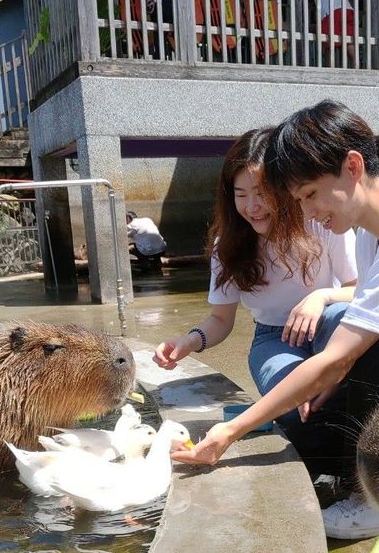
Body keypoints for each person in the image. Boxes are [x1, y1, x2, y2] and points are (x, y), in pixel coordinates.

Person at [173, 101, 379, 540]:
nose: (309, 213)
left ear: (352, 166)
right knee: (307, 414)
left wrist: (231, 431)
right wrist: (324, 389)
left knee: (364, 348)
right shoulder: (378, 228)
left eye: (310, 195)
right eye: (297, 201)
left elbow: (340, 358)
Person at [153, 128, 357, 481]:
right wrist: (189, 340)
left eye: (262, 193)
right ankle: (327, 467)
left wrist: (321, 296)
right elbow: (221, 318)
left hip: (328, 323)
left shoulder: (321, 221)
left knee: (341, 317)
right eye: (241, 194)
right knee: (295, 405)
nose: (252, 206)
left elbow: (362, 290)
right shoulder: (227, 246)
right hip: (273, 338)